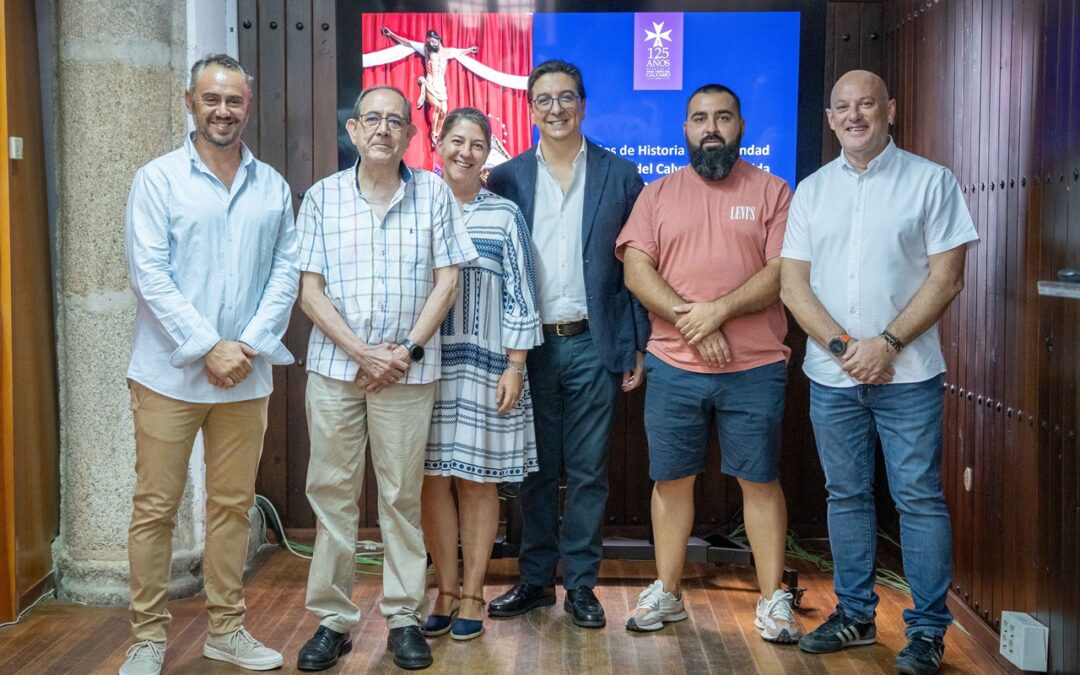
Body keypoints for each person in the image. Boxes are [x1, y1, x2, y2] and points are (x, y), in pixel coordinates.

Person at [780, 70, 978, 675]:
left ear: (890, 109)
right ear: (830, 118)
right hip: (832, 376)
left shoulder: (931, 181)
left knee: (917, 499)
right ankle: (856, 616)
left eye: (866, 103)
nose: (854, 115)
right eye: (843, 106)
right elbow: (793, 284)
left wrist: (886, 344)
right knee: (847, 495)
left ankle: (925, 633)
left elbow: (947, 278)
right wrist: (847, 348)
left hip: (909, 374)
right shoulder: (811, 191)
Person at [120, 53, 298, 675]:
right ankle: (147, 637)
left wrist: (243, 344)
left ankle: (227, 629)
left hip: (245, 375)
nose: (223, 110)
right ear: (189, 102)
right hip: (169, 374)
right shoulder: (157, 179)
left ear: (246, 106)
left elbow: (285, 274)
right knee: (156, 507)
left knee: (231, 506)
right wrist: (209, 344)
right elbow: (150, 276)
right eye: (211, 99)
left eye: (234, 101)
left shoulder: (272, 186)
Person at [294, 85, 476, 672]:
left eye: (394, 121)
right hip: (335, 372)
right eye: (371, 119)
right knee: (333, 496)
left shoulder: (435, 197)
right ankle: (333, 620)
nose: (382, 129)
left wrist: (403, 351)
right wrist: (362, 353)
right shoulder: (322, 198)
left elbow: (448, 282)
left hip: (407, 370)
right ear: (352, 131)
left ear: (410, 134)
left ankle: (402, 617)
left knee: (400, 497)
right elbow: (309, 291)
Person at [616, 84, 801, 642]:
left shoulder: (773, 191)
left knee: (760, 481)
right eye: (700, 118)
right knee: (671, 481)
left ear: (741, 126)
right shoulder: (658, 194)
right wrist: (693, 322)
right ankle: (667, 593)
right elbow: (636, 271)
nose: (711, 127)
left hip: (756, 365)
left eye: (723, 117)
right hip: (675, 365)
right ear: (685, 128)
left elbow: (782, 273)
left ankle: (773, 601)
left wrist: (716, 312)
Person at [485, 60, 648, 629]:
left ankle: (580, 585)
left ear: (583, 104)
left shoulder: (620, 175)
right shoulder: (504, 179)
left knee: (587, 472)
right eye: (544, 99)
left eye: (566, 98)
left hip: (594, 344)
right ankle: (534, 581)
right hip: (525, 349)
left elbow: (635, 268)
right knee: (533, 469)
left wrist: (639, 346)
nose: (555, 108)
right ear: (530, 109)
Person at [420, 107, 543, 642]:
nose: (465, 152)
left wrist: (516, 365)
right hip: (422, 368)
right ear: (438, 143)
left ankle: (474, 590)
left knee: (475, 482)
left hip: (486, 368)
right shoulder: (416, 206)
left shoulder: (504, 215)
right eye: (457, 140)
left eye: (477, 144)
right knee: (431, 481)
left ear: (487, 153)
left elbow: (521, 292)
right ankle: (444, 589)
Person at [381, 27, 478, 148]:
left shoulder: (447, 52)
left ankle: (437, 132)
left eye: (433, 41)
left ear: (438, 39)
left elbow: (460, 51)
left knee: (444, 111)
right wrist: (391, 34)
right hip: (430, 82)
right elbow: (408, 42)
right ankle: (433, 134)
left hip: (441, 85)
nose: (431, 43)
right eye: (429, 41)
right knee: (437, 108)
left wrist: (470, 49)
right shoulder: (426, 49)